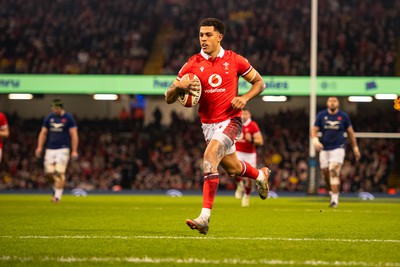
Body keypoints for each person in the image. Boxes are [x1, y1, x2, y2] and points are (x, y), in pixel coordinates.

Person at [165, 17, 270, 235]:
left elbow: (260, 83)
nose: (203, 39)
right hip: (208, 125)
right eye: (201, 35)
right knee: (232, 169)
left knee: (209, 157)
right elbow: (168, 97)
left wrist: (245, 98)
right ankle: (260, 175)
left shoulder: (234, 60)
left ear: (219, 37)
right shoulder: (191, 64)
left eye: (208, 35)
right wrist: (179, 87)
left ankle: (204, 218)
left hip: (231, 120)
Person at [311, 96, 361, 208]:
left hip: (338, 148)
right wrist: (315, 141)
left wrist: (355, 148)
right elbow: (314, 130)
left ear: (338, 103)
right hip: (324, 148)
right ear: (327, 103)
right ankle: (332, 192)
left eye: (334, 101)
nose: (332, 103)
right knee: (325, 173)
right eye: (330, 101)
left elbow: (351, 133)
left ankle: (334, 199)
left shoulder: (343, 116)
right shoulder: (321, 115)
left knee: (333, 170)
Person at [35, 99, 79, 203]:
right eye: (53, 108)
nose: (55, 110)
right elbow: (43, 133)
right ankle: (56, 189)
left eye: (56, 108)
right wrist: (39, 147)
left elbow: (74, 134)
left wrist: (74, 150)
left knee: (59, 172)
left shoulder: (68, 118)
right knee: (48, 173)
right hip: (50, 148)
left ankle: (57, 196)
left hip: (63, 148)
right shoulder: (49, 118)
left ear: (61, 108)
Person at [234, 108, 264, 207]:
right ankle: (239, 185)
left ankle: (246, 196)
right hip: (238, 151)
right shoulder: (236, 122)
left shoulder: (253, 125)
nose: (243, 115)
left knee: (250, 178)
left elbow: (260, 141)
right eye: (242, 113)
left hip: (249, 154)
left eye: (246, 113)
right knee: (233, 169)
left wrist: (251, 140)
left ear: (249, 115)